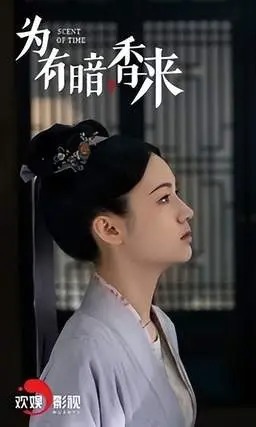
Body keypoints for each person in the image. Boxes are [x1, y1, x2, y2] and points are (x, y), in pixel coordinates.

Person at [22, 119, 197, 426]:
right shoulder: (83, 352)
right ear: (109, 228)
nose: (186, 211)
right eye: (163, 198)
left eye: (176, 193)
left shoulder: (161, 325)